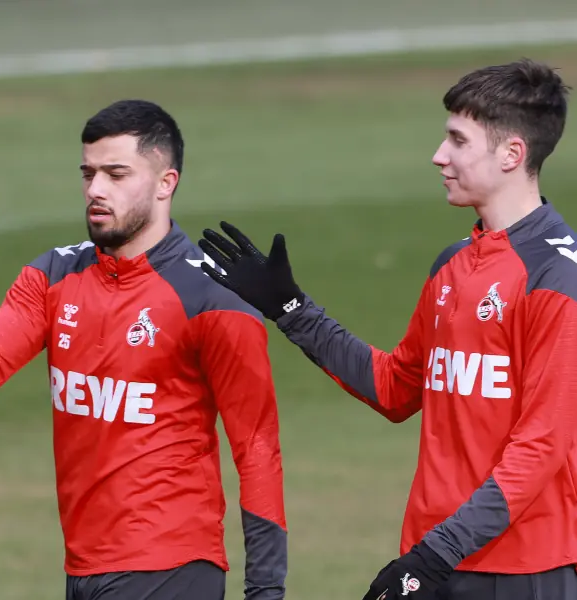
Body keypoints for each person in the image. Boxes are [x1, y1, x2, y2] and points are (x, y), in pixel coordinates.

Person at [197, 59, 577, 600]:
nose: (438, 156)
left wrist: (432, 555)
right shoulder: (453, 265)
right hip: (440, 556)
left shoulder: (555, 277)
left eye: (457, 141)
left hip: (520, 571)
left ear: (512, 154)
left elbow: (540, 449)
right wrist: (291, 308)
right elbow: (396, 387)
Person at [0, 99, 288, 599]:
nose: (95, 190)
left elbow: (257, 450)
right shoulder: (52, 275)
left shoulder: (214, 300)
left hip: (172, 568)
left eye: (116, 173)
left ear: (165, 183)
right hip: (83, 568)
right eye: (88, 173)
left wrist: (265, 592)